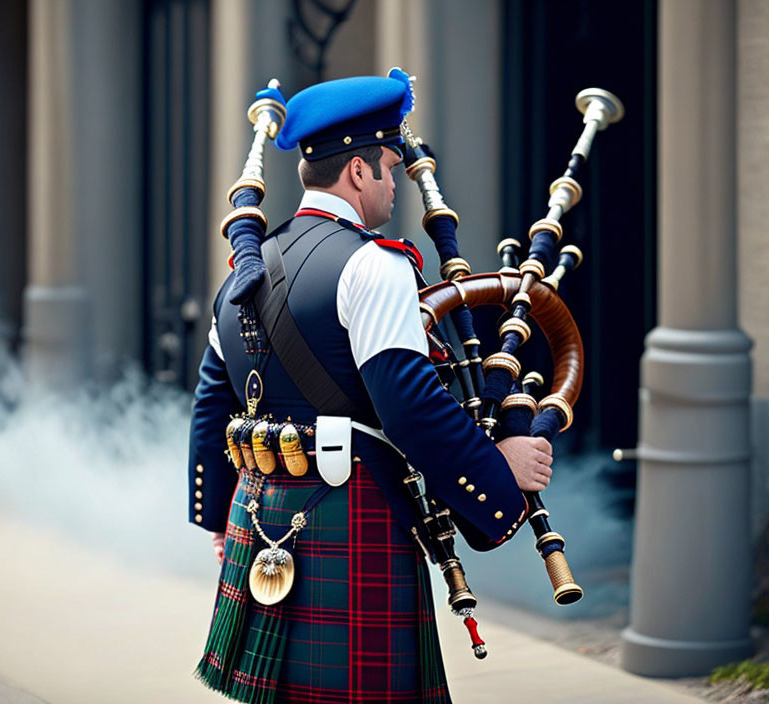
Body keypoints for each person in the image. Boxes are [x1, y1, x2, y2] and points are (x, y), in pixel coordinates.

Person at [188, 73, 554, 704]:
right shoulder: (374, 264)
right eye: (388, 166)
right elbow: (409, 405)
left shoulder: (243, 273)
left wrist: (217, 513)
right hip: (353, 514)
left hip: (256, 515)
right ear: (358, 172)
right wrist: (497, 472)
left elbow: (212, 405)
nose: (394, 184)